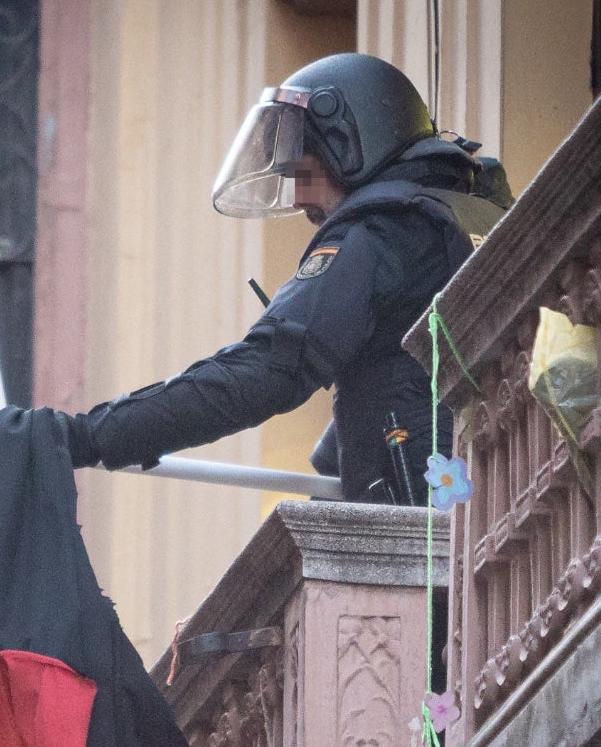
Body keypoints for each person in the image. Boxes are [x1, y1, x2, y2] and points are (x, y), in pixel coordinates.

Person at [58, 53, 512, 504]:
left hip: (437, 524)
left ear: (348, 143)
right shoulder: (464, 219)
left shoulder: (382, 231)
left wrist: (87, 436)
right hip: (490, 491)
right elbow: (404, 378)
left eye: (301, 171)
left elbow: (267, 371)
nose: (298, 199)